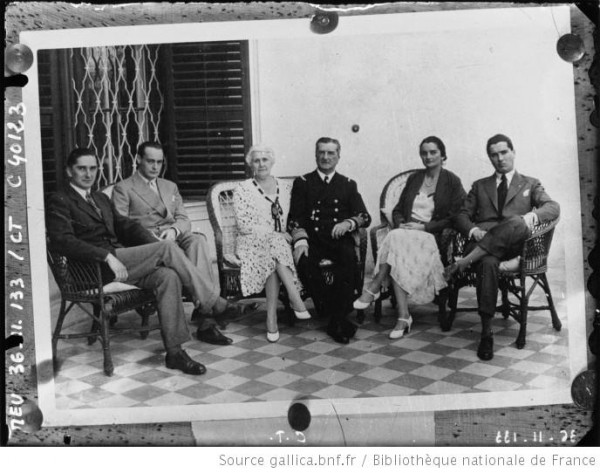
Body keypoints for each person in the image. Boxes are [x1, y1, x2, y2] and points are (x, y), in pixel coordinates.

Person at [46, 148, 250, 375]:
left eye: (93, 168)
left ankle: (175, 352)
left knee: (168, 276)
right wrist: (105, 256)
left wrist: (152, 244)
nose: (88, 174)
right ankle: (216, 304)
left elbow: (126, 226)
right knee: (166, 248)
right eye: (81, 168)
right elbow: (62, 241)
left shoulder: (100, 198)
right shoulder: (60, 200)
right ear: (69, 171)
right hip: (93, 269)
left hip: (119, 263)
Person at [446, 134, 560, 361]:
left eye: (504, 152)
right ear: (489, 158)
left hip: (515, 246)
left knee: (517, 221)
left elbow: (553, 207)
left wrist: (529, 218)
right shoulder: (480, 186)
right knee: (488, 261)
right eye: (494, 155)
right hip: (483, 242)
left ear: (513, 152)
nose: (500, 158)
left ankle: (464, 262)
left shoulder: (530, 183)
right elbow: (461, 216)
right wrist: (473, 231)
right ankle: (486, 333)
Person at [112, 141, 233, 346]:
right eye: (150, 161)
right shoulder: (124, 188)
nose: (155, 167)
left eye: (159, 162)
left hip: (172, 236)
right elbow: (121, 226)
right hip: (147, 243)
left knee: (197, 240)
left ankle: (206, 309)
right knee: (179, 248)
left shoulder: (170, 186)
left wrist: (174, 230)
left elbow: (184, 218)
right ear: (138, 159)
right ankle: (209, 313)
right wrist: (150, 236)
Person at [353, 136, 466, 339]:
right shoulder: (415, 179)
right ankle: (403, 316)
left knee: (395, 239)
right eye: (424, 153)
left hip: (430, 237)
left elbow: (456, 217)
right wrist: (401, 224)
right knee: (398, 240)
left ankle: (374, 287)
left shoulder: (452, 181)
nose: (428, 156)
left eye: (433, 152)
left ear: (442, 155)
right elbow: (398, 210)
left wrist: (424, 227)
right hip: (405, 233)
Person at [288, 137, 371, 344]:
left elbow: (364, 216)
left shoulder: (348, 184)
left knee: (348, 259)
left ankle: (335, 319)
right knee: (305, 262)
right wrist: (300, 241)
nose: (326, 157)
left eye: (331, 153)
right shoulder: (303, 182)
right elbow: (294, 218)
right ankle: (337, 318)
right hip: (312, 240)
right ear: (316, 155)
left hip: (339, 241)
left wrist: (349, 223)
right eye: (322, 152)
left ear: (338, 156)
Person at [233, 145, 311, 342]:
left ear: (272, 162)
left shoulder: (285, 187)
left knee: (273, 255)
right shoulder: (243, 188)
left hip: (278, 245)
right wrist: (274, 234)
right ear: (251, 164)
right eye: (256, 160)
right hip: (251, 242)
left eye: (265, 160)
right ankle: (295, 297)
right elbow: (244, 224)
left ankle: (271, 318)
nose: (261, 164)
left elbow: (294, 216)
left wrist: (288, 235)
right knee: (275, 243)